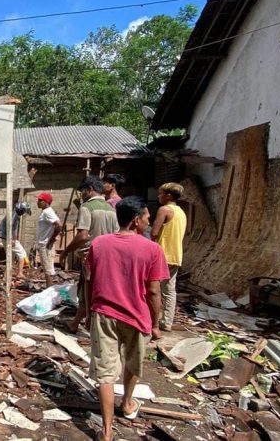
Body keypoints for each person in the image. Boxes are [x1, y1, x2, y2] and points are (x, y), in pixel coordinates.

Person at [84, 196, 168, 441]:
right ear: (135, 221)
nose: (149, 223)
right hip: (136, 316)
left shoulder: (99, 244)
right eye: (147, 218)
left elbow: (89, 281)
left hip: (104, 314)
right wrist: (156, 322)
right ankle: (128, 403)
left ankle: (107, 432)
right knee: (132, 364)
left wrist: (89, 313)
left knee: (105, 373)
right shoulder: (152, 249)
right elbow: (153, 291)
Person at [60, 176, 119, 333]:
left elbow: (83, 235)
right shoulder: (110, 209)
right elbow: (117, 233)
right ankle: (84, 323)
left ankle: (86, 325)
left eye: (83, 191)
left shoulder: (87, 207)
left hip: (91, 257)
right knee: (101, 291)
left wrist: (66, 251)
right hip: (109, 257)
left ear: (90, 190)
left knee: (86, 292)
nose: (82, 195)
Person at [151, 182, 187, 332]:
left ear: (169, 195)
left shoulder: (164, 210)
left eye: (161, 193)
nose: (158, 196)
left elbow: (154, 233)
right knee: (170, 290)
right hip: (176, 255)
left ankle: (151, 319)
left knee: (153, 289)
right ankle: (167, 322)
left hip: (162, 254)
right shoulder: (181, 212)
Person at [0, 201, 31, 279]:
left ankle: (6, 274)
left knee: (10, 256)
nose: (23, 212)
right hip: (8, 238)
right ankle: (20, 273)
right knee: (22, 254)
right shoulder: (14, 215)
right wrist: (12, 239)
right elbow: (10, 227)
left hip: (6, 237)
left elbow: (13, 228)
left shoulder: (13, 214)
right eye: (23, 210)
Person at [35, 192, 62, 287]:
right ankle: (48, 289)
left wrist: (52, 238)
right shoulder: (45, 212)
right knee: (47, 267)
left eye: (40, 200)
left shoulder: (47, 212)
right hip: (44, 243)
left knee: (48, 269)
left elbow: (58, 225)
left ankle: (49, 290)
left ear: (46, 202)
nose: (37, 202)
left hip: (45, 244)